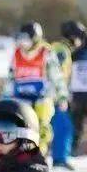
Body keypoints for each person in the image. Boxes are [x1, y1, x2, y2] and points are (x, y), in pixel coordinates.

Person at [5, 22, 67, 155]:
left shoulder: (46, 53)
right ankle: (18, 154)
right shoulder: (17, 54)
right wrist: (5, 97)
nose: (22, 43)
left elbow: (57, 77)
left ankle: (39, 153)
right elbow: (10, 78)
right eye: (20, 39)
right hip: (20, 97)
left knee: (41, 126)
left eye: (25, 39)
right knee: (19, 126)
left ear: (34, 39)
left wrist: (62, 96)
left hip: (41, 97)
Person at [49, 20, 86, 168]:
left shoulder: (61, 49)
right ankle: (59, 158)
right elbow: (54, 73)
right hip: (53, 97)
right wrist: (61, 97)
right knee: (64, 126)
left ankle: (58, 157)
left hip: (53, 95)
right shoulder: (61, 51)